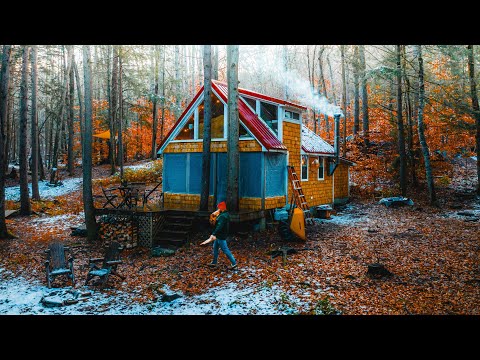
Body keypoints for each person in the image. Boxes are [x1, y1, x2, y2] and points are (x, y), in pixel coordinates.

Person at [200, 201, 237, 269]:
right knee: (215, 248)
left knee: (225, 249)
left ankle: (234, 263)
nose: (218, 209)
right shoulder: (226, 214)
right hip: (221, 234)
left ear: (222, 208)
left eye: (219, 208)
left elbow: (219, 226)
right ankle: (214, 262)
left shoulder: (222, 216)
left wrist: (214, 234)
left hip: (220, 235)